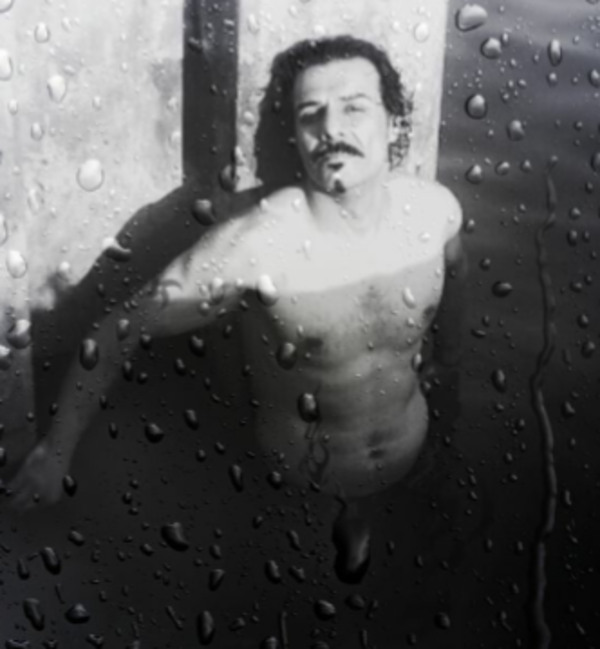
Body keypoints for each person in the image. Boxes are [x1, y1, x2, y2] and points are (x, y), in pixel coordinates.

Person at [7, 35, 465, 582]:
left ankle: (358, 526)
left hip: (408, 450)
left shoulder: (436, 215)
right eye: (311, 114)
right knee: (282, 581)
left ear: (393, 122)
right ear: (295, 135)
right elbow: (119, 328)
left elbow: (454, 303)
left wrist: (448, 369)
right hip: (296, 476)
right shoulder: (259, 245)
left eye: (354, 108)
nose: (330, 129)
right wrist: (55, 454)